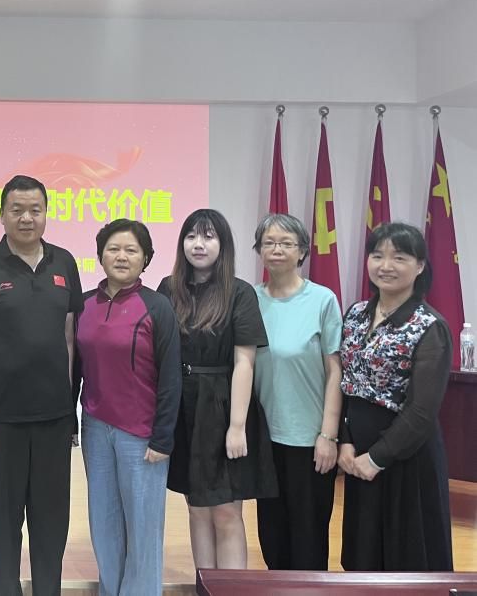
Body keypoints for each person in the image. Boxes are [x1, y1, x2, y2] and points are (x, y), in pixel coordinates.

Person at [0, 174, 83, 596]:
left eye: (35, 210)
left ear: (46, 214)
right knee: (5, 521)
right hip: (1, 418)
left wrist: (69, 407)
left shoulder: (64, 263)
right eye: (17, 210)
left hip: (53, 418)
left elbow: (69, 337)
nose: (26, 218)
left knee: (51, 523)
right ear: (2, 214)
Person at [157, 208, 275, 570]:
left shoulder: (239, 293)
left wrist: (237, 426)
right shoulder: (168, 288)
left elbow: (245, 363)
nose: (199, 244)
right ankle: (204, 587)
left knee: (225, 511)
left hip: (223, 406)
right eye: (191, 236)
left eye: (208, 236)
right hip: (183, 406)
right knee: (196, 508)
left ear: (223, 245)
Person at [338, 221, 454, 571]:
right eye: (377, 255)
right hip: (357, 455)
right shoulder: (356, 314)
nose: (385, 265)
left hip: (405, 458)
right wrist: (346, 441)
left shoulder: (429, 326)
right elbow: (347, 383)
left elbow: (421, 411)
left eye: (399, 257)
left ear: (420, 266)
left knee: (407, 558)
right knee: (364, 555)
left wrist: (376, 459)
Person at [75, 219, 181, 596]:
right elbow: (73, 367)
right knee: (104, 523)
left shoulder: (157, 306)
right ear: (100, 255)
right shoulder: (83, 304)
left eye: (131, 250)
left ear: (146, 258)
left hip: (142, 434)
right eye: (114, 249)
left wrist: (163, 437)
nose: (122, 256)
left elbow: (171, 377)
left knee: (143, 526)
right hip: (95, 427)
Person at [251, 213, 341, 570]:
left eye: (286, 243)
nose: (277, 250)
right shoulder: (249, 299)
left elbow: (335, 371)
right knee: (271, 535)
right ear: (259, 250)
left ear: (302, 251)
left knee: (308, 536)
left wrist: (328, 436)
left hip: (309, 439)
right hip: (264, 439)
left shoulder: (322, 300)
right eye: (269, 243)